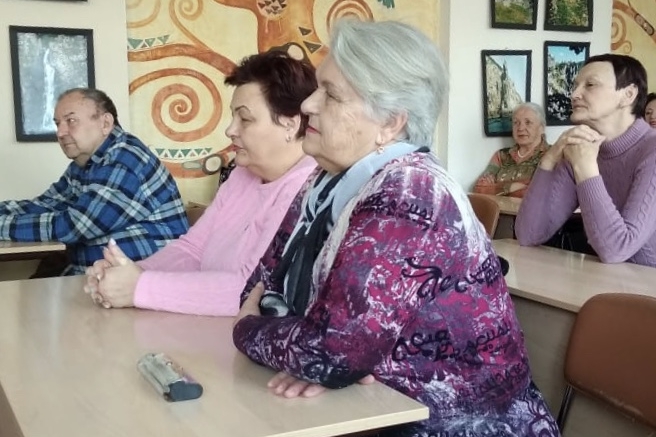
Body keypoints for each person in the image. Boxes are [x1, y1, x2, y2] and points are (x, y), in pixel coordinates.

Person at [232, 20, 560, 437]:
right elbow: (262, 289)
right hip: (374, 409)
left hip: (459, 426)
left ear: (390, 123)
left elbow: (330, 353)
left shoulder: (411, 192)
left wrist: (250, 329)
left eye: (331, 94)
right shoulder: (325, 182)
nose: (308, 104)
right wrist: (318, 351)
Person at [84, 50, 318, 315]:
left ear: (290, 124)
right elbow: (192, 249)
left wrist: (139, 287)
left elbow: (252, 289)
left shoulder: (307, 189)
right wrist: (130, 273)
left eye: (245, 119)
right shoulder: (243, 174)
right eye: (233, 117)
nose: (230, 130)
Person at [0, 88, 188, 276]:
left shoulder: (125, 160)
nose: (60, 132)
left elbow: (75, 226)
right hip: (99, 275)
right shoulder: (85, 163)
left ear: (105, 123)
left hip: (147, 281)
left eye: (71, 121)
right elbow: (46, 204)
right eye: (58, 124)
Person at [516, 54, 656, 266]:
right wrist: (549, 159)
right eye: (575, 86)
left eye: (590, 85)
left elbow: (617, 250)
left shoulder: (650, 151)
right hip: (607, 279)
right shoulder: (581, 149)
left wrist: (586, 168)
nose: (574, 94)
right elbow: (528, 234)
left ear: (628, 94)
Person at [473, 102, 550, 198]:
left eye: (528, 122)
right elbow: (479, 188)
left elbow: (541, 192)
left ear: (541, 128)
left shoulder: (552, 155)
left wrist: (495, 188)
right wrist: (510, 187)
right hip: (497, 208)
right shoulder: (501, 155)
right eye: (516, 123)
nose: (520, 128)